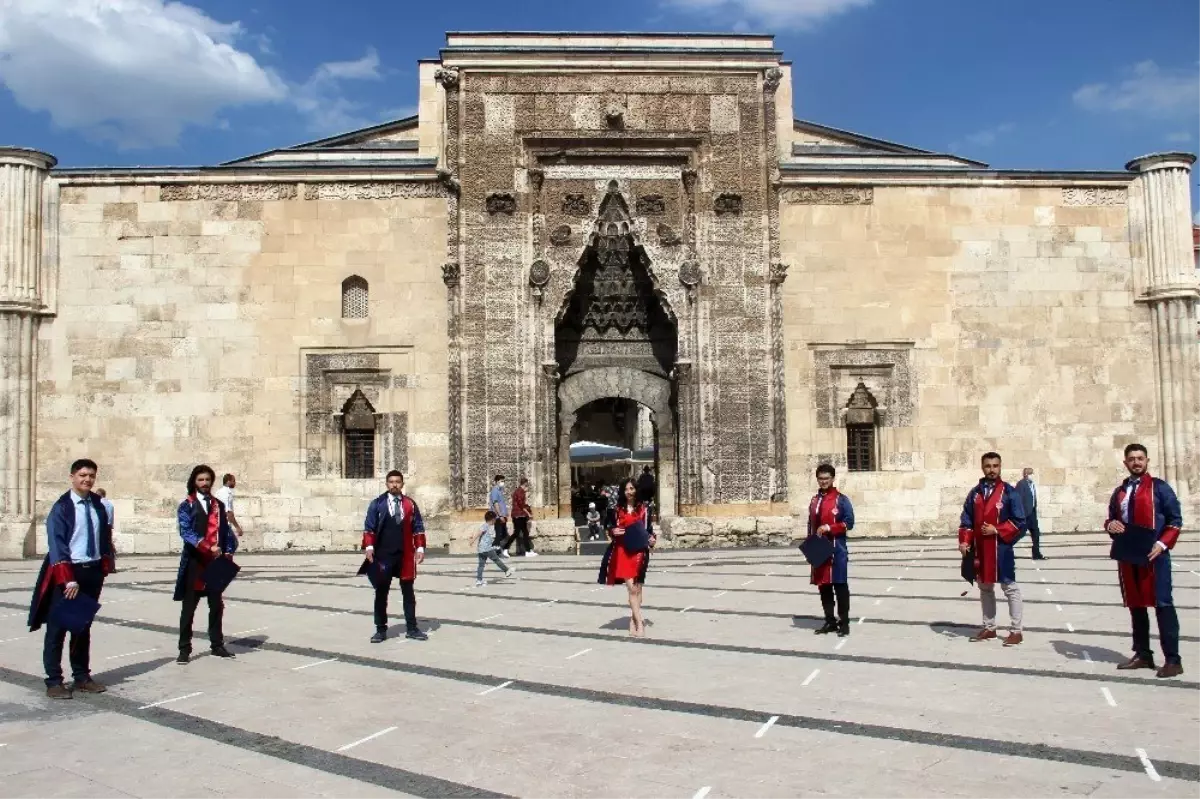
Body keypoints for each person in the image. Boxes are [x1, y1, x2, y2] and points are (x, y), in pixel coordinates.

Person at [27, 459, 115, 699]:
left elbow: (104, 536)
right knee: (58, 628)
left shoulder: (98, 504)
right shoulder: (62, 507)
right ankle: (54, 680)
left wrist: (104, 565)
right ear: (72, 476)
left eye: (91, 476)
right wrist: (68, 579)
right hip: (68, 573)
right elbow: (57, 545)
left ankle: (82, 676)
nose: (87, 479)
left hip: (92, 571)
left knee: (82, 626)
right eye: (82, 475)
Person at [1105, 444, 1184, 678]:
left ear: (1147, 461)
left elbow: (1175, 520)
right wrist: (1110, 525)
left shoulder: (1160, 488)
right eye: (1131, 459)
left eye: (1140, 458)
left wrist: (1161, 545)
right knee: (1136, 606)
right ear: (1125, 463)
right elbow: (1111, 518)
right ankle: (1143, 654)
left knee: (1163, 605)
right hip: (1129, 556)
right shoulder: (1120, 492)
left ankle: (1173, 659)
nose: (1136, 462)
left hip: (1155, 557)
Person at [958, 452, 1027, 646]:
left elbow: (1020, 521)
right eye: (988, 466)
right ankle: (989, 627)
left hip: (1001, 549)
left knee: (1009, 587)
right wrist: (964, 541)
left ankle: (1016, 630)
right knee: (985, 587)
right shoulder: (975, 493)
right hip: (980, 549)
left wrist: (997, 529)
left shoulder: (1009, 492)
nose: (992, 470)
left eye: (995, 466)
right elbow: (967, 520)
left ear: (1000, 467)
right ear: (982, 467)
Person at [174, 464, 239, 664]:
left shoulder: (218, 505)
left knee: (216, 605)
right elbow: (186, 531)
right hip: (195, 562)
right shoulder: (187, 505)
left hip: (215, 563)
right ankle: (184, 649)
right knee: (189, 608)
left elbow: (225, 531)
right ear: (194, 481)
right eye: (200, 480)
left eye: (207, 480)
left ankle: (217, 644)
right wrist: (205, 546)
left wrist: (228, 551)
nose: (204, 483)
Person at [363, 470, 428, 642]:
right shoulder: (377, 504)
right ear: (386, 484)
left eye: (397, 482)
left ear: (402, 484)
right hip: (383, 555)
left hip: (405, 554)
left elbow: (418, 527)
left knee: (408, 592)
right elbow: (369, 527)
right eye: (391, 482)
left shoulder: (410, 504)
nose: (394, 485)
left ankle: (412, 628)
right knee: (381, 592)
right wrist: (369, 547)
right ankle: (380, 629)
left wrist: (420, 548)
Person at [597, 478, 655, 637]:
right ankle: (640, 623)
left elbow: (648, 529)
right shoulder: (616, 509)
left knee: (638, 588)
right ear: (623, 491)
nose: (629, 492)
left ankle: (632, 620)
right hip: (623, 551)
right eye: (626, 489)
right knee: (631, 588)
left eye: (632, 488)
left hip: (640, 551)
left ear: (636, 490)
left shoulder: (644, 508)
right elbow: (608, 527)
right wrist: (613, 531)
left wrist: (652, 538)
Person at [806, 464, 855, 637]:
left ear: (833, 479)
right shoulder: (814, 500)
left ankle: (844, 623)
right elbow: (810, 525)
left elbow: (849, 522)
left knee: (840, 586)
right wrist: (810, 549)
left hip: (837, 550)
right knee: (824, 587)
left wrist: (830, 527)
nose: (824, 481)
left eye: (827, 478)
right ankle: (830, 621)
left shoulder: (841, 500)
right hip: (820, 550)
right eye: (821, 478)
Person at [472, 511, 515, 586]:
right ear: (492, 520)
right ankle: (506, 570)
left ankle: (479, 580)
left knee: (481, 565)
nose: (495, 521)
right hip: (487, 549)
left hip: (481, 549)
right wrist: (472, 540)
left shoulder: (488, 526)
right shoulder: (485, 526)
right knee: (496, 560)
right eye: (495, 520)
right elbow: (479, 532)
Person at [1016, 467, 1044, 560]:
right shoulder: (1021, 484)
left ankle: (1036, 554)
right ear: (1026, 475)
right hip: (1024, 514)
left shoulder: (1032, 484)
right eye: (1031, 474)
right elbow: (1018, 499)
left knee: (1036, 533)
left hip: (1032, 513)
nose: (1033, 476)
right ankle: (1004, 549)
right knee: (1019, 534)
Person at [511, 476, 538, 557]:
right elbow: (521, 505)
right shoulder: (520, 492)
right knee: (519, 533)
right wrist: (529, 514)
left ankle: (528, 551)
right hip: (519, 515)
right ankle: (527, 551)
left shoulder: (520, 492)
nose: (528, 487)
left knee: (524, 533)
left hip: (520, 515)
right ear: (525, 484)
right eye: (527, 485)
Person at [213, 473, 244, 537]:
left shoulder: (219, 492)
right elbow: (228, 512)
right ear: (228, 481)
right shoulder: (227, 493)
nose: (235, 483)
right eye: (233, 481)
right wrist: (237, 527)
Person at [488, 474, 510, 557]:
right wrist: (500, 515)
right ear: (497, 482)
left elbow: (502, 504)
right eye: (501, 481)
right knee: (499, 534)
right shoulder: (495, 491)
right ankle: (496, 552)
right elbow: (496, 503)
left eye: (503, 481)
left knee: (503, 534)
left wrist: (505, 514)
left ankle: (493, 548)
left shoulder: (500, 491)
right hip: (497, 517)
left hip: (502, 516)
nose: (503, 483)